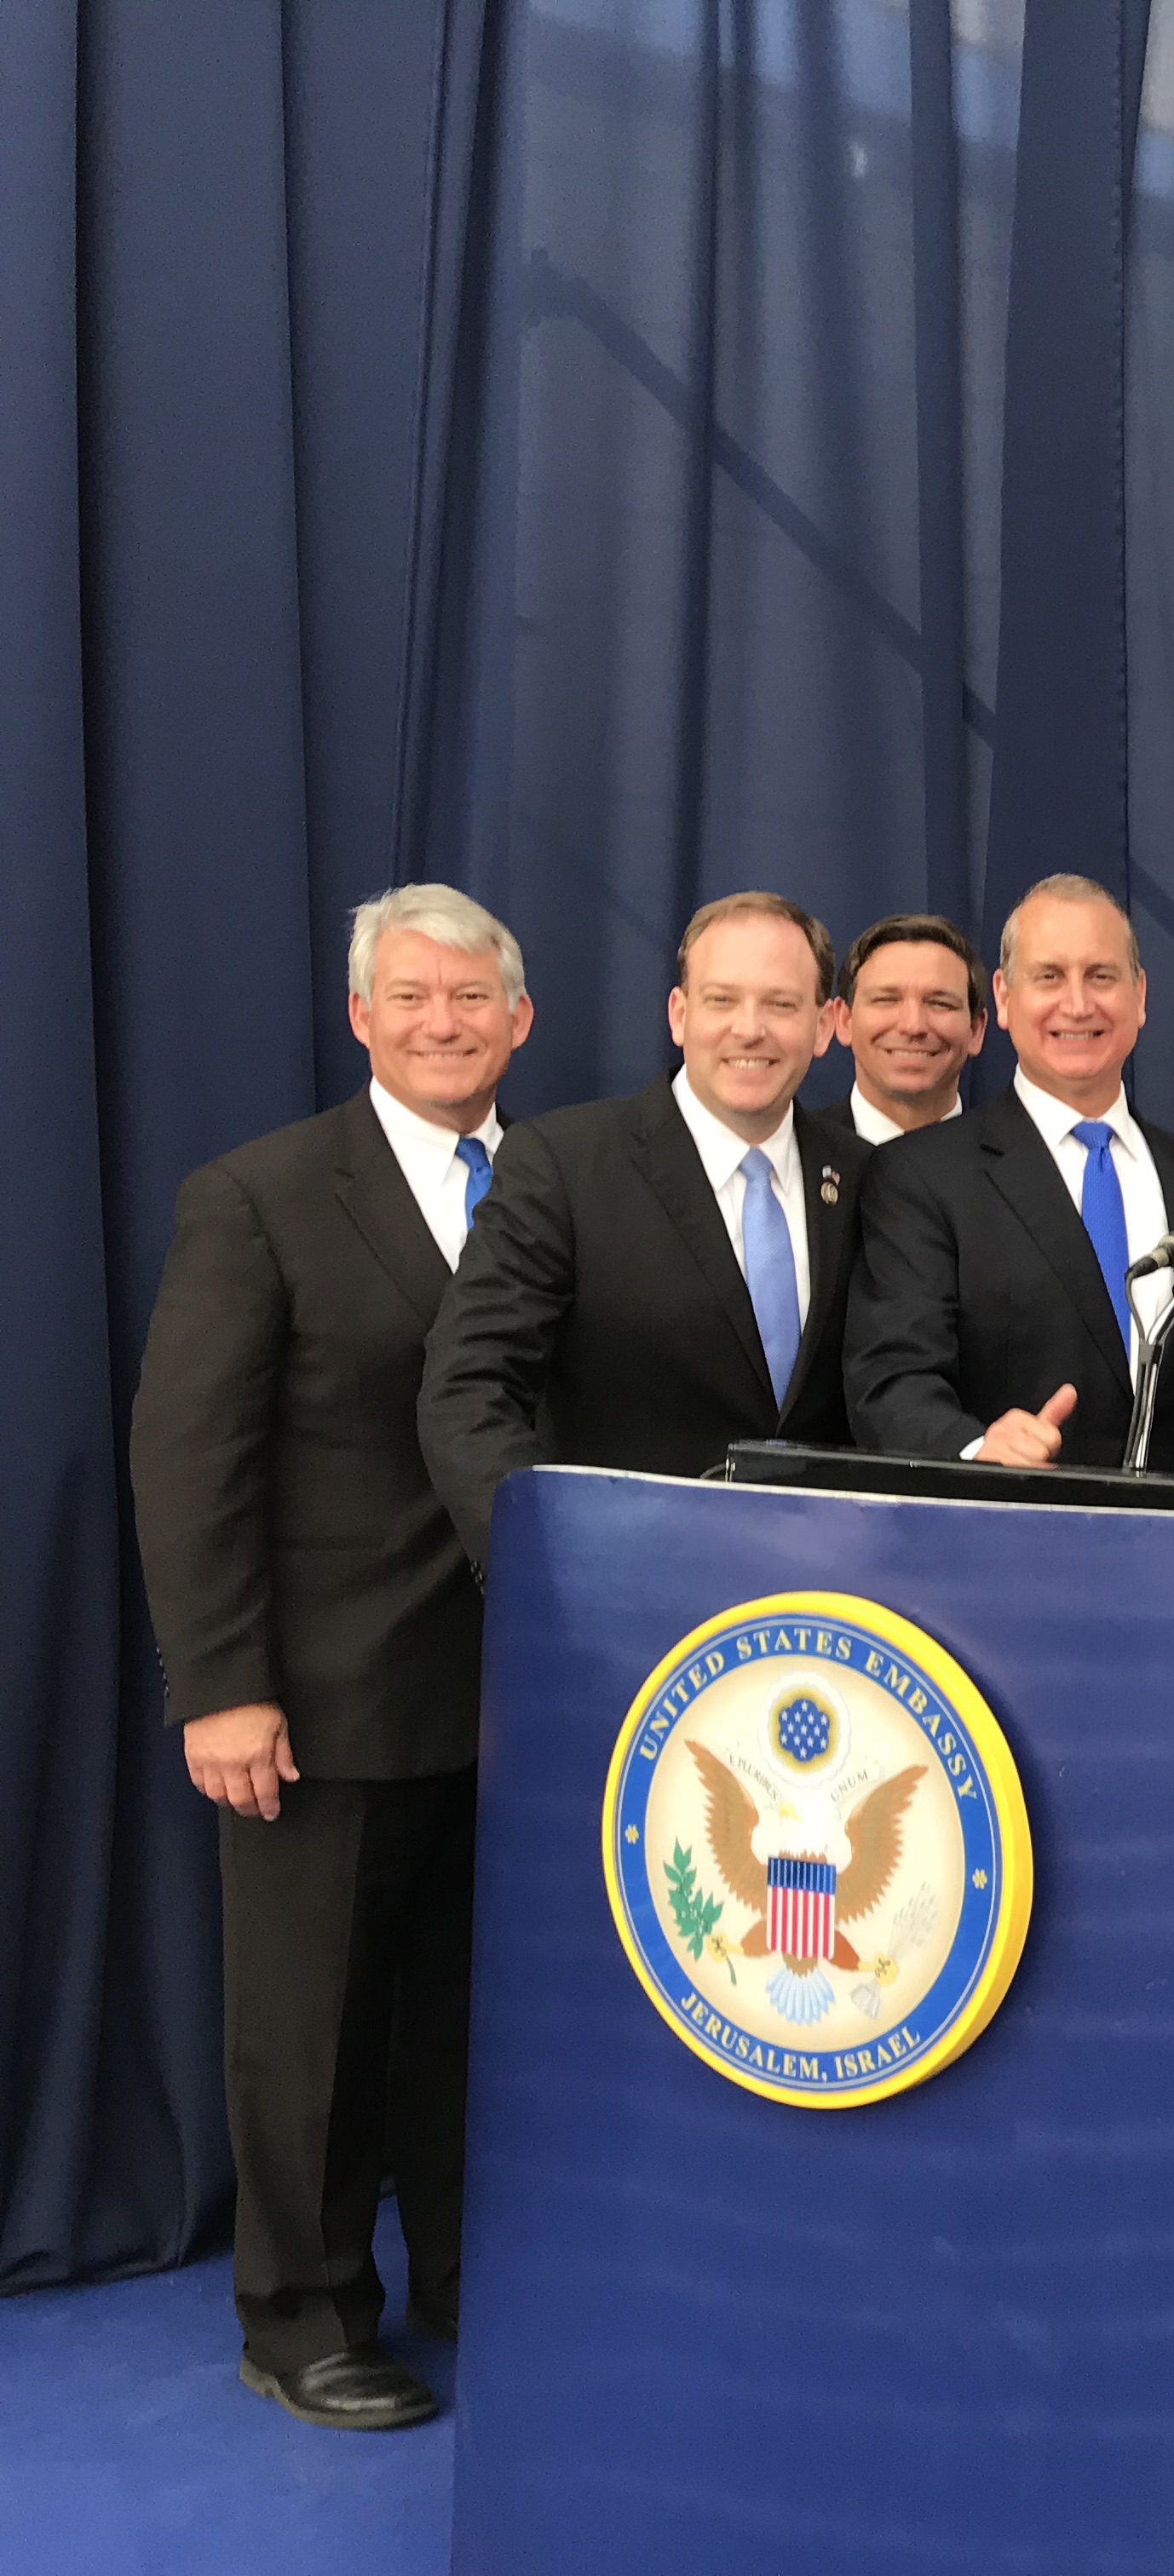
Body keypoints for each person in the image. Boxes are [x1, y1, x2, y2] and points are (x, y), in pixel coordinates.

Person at [128, 885, 535, 2431]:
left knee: (463, 2029)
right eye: (412, 996)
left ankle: (458, 2277)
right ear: (362, 1016)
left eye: (471, 998)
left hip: (511, 1701)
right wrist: (220, 1681)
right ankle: (297, 2314)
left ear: (520, 1021)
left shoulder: (548, 1182)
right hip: (317, 1702)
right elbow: (190, 1458)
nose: (444, 1022)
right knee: (307, 2032)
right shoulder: (262, 1193)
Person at [418, 891, 866, 1567]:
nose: (751, 1029)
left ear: (826, 1023)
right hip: (618, 1601)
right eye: (722, 1001)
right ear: (679, 1016)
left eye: (780, 1004)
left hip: (819, 1613)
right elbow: (467, 1391)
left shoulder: (864, 1176)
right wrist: (547, 1564)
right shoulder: (563, 1163)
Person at [843, 874, 1174, 1473]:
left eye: (1101, 976)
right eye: (1050, 977)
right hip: (1004, 1542)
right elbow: (891, 1379)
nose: (1078, 1004)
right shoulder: (921, 1177)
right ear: (1004, 999)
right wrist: (978, 1448)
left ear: (1140, 996)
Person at [830, 911, 988, 1141]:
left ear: (976, 1030)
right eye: (886, 1000)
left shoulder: (1023, 1170)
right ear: (844, 1020)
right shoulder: (797, 1158)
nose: (913, 1026)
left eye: (940, 1003)